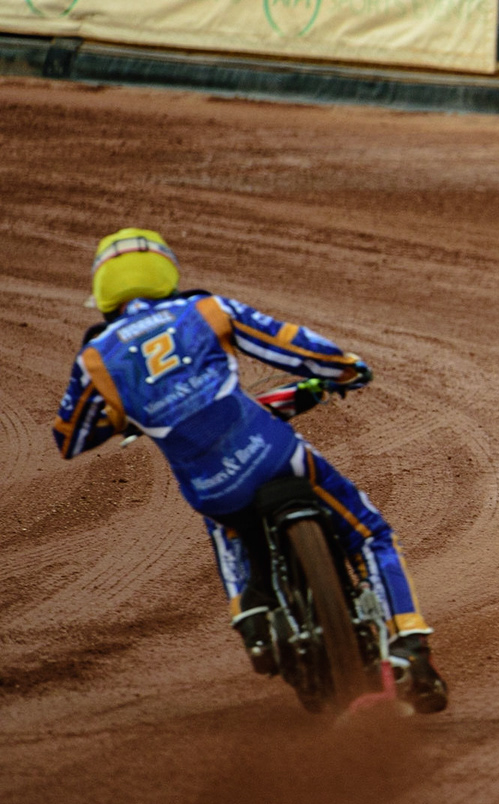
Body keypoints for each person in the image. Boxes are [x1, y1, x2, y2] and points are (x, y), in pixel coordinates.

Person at [52, 229, 447, 712]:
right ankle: (410, 647)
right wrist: (345, 369)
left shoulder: (96, 357)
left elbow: (69, 437)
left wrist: (123, 415)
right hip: (275, 455)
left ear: (103, 292)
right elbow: (291, 345)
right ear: (166, 272)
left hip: (212, 489)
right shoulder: (204, 309)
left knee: (225, 525)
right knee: (370, 534)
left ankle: (252, 619)